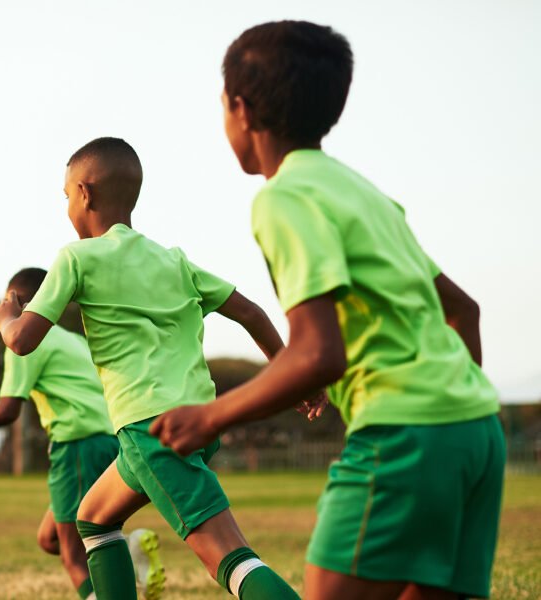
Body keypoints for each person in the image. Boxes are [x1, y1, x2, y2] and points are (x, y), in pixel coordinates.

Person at [153, 20, 505, 599]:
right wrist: (453, 412)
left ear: (240, 110)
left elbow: (318, 353)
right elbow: (463, 311)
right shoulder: (365, 193)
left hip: (403, 432)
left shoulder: (284, 198)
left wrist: (211, 416)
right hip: (477, 430)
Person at [0, 137, 307, 599]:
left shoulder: (77, 257)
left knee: (230, 557)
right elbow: (252, 313)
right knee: (94, 519)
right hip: (196, 422)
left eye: (66, 196)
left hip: (150, 427)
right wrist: (291, 375)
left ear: (84, 194)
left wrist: (6, 319)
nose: (67, 207)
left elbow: (22, 341)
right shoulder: (173, 259)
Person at [0, 267, 165, 600]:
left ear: (15, 300)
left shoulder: (24, 340)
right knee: (50, 538)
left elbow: (7, 410)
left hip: (78, 444)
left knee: (74, 555)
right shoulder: (75, 340)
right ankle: (131, 550)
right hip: (110, 440)